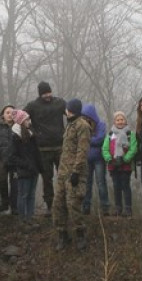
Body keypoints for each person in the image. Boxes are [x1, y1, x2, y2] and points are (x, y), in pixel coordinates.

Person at [53, 99, 92, 250]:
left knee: (73, 204)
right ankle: (62, 236)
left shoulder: (82, 125)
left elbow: (82, 151)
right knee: (58, 204)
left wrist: (76, 171)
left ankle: (80, 235)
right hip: (63, 172)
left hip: (75, 173)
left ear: (72, 110)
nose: (65, 111)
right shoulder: (69, 125)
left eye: (67, 109)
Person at [23, 82, 66, 213]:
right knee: (47, 179)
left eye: (49, 92)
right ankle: (50, 206)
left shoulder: (60, 102)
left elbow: (72, 114)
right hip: (42, 149)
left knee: (63, 177)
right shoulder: (33, 106)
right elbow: (21, 117)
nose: (47, 95)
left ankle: (64, 204)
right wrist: (31, 131)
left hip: (60, 147)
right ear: (40, 94)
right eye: (44, 93)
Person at [8, 110, 43, 226]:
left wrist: (40, 167)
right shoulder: (15, 137)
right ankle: (22, 220)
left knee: (31, 195)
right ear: (21, 121)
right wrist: (27, 164)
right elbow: (12, 157)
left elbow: (36, 153)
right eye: (27, 119)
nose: (29, 121)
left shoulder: (31, 134)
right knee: (23, 195)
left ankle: (30, 217)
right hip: (24, 171)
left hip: (34, 170)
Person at [103, 111, 138, 217]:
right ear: (114, 121)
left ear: (125, 121)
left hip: (125, 165)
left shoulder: (130, 134)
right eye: (118, 120)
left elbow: (133, 148)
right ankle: (118, 208)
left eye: (122, 119)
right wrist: (109, 159)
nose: (120, 122)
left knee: (125, 186)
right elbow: (105, 149)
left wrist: (125, 159)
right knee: (116, 186)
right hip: (113, 165)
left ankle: (128, 208)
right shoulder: (110, 134)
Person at [80, 103, 110, 216]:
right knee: (87, 184)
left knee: (101, 183)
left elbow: (100, 139)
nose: (85, 119)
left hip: (99, 159)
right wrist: (90, 140)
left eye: (87, 116)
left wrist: (87, 140)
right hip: (86, 159)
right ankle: (86, 207)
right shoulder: (83, 126)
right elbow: (81, 139)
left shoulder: (101, 125)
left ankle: (105, 207)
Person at [0, 105, 18, 215]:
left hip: (15, 161)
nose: (10, 114)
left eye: (12, 112)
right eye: (7, 112)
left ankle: (14, 206)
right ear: (3, 115)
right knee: (2, 183)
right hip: (1, 160)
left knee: (15, 184)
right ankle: (4, 204)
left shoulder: (18, 127)